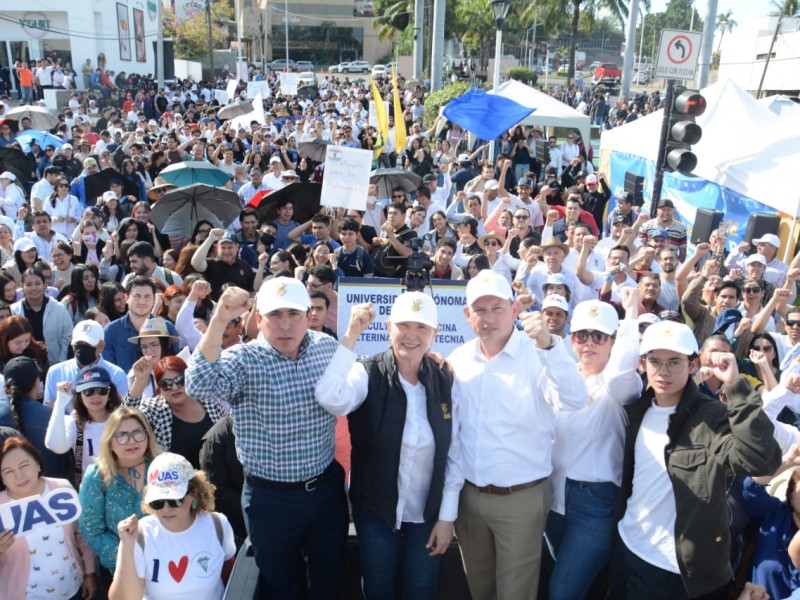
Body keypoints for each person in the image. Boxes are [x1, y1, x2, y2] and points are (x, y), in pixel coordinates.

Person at [185, 277, 348, 599]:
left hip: (326, 492)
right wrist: (219, 319)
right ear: (258, 319)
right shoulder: (243, 360)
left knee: (328, 583)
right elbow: (198, 384)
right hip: (271, 500)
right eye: (274, 315)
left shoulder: (327, 349)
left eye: (293, 314)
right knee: (282, 588)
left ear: (308, 316)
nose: (285, 325)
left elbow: (363, 374)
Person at [613, 321, 782, 600]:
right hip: (629, 548)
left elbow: (762, 461)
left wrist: (736, 386)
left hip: (681, 571)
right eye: (655, 361)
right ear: (643, 363)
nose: (663, 371)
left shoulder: (711, 415)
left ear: (693, 365)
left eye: (674, 362)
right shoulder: (636, 409)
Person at [447, 271, 589, 600]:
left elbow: (575, 400)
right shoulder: (459, 360)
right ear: (467, 315)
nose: (489, 318)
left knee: (515, 594)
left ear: (514, 310)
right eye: (479, 310)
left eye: (497, 308)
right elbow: (454, 435)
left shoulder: (539, 352)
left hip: (520, 499)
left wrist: (549, 347)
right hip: (470, 497)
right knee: (479, 589)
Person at [315, 292, 460, 598]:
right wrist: (352, 334)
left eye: (422, 328)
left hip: (426, 511)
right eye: (403, 325)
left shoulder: (445, 379)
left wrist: (447, 517)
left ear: (435, 334)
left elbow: (454, 454)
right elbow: (330, 398)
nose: (411, 335)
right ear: (388, 327)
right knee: (378, 583)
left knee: (422, 584)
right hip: (376, 509)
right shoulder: (367, 372)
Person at [545, 296, 643, 600]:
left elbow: (620, 374)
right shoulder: (562, 375)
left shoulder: (620, 384)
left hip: (595, 503)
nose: (589, 343)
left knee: (562, 593)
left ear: (613, 340)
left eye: (599, 336)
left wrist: (630, 316)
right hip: (553, 498)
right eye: (581, 335)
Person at [110, 453, 236, 600]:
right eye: (157, 502)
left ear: (194, 494)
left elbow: (232, 578)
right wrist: (126, 545)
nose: (166, 508)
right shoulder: (140, 534)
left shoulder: (218, 525)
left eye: (174, 500)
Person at [0, 436, 98, 600]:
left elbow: (81, 534)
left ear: (38, 464)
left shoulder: (61, 488)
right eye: (8, 471)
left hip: (73, 589)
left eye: (24, 465)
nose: (19, 475)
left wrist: (90, 573)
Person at [79, 407, 160, 586]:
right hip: (122, 572)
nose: (131, 441)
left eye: (138, 432)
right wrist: (131, 557)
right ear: (109, 441)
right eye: (122, 435)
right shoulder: (97, 475)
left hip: (166, 565)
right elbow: (91, 530)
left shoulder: (162, 466)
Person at [125, 355, 227, 468]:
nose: (174, 387)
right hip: (176, 482)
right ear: (159, 388)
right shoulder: (155, 410)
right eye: (166, 384)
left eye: (180, 380)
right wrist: (141, 380)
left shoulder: (209, 401)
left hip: (218, 479)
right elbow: (124, 419)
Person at [46, 364, 122, 485]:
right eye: (88, 391)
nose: (96, 396)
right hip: (90, 491)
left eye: (102, 391)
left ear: (109, 392)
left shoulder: (122, 419)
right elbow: (55, 445)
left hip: (123, 485)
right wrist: (61, 400)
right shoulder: (73, 422)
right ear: (79, 395)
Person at [11, 268, 73, 365]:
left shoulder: (58, 309)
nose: (34, 288)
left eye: (38, 283)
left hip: (54, 363)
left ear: (45, 285)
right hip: (24, 365)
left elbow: (68, 337)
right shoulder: (14, 310)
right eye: (29, 285)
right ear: (22, 287)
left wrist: (62, 361)